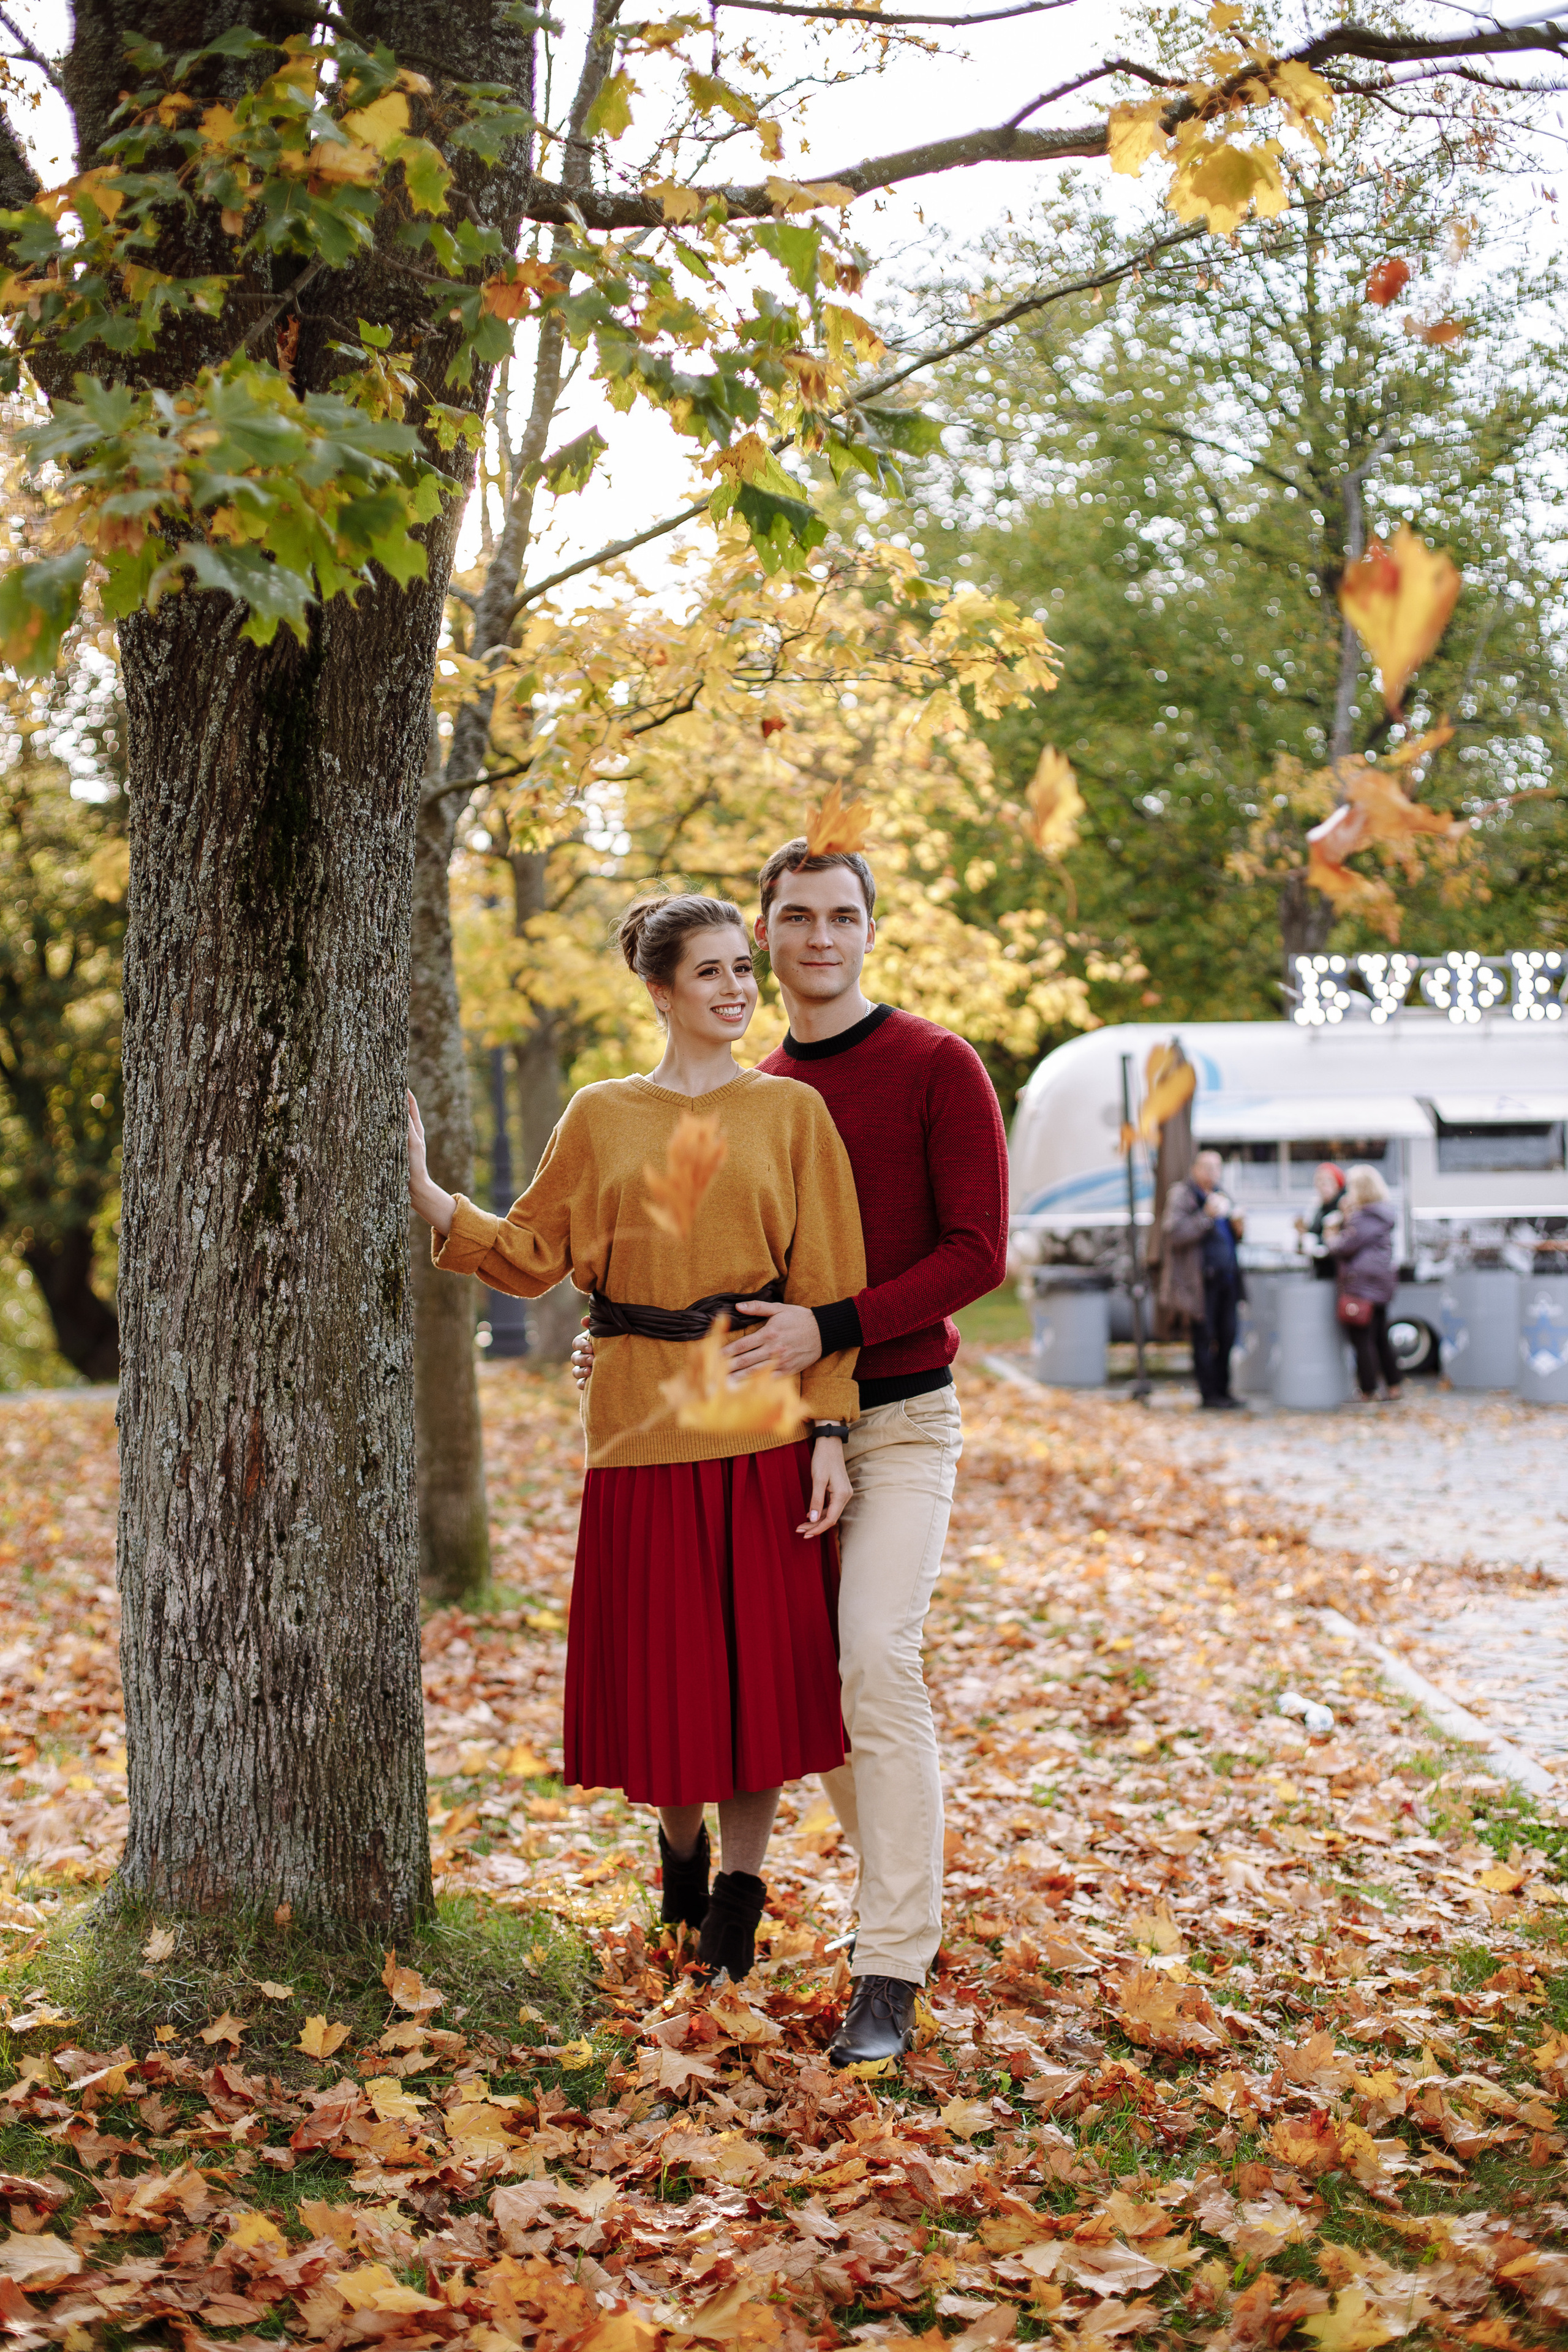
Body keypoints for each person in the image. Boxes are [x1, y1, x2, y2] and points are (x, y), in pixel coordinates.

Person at [576, 842, 1009, 2066]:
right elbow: (679, 1266)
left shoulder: (936, 1065)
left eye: (843, 915)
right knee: (802, 1690)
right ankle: (866, 1912)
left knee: (873, 1655)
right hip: (756, 1433)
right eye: (797, 917)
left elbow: (978, 1253)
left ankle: (888, 1966)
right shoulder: (739, 1084)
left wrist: (831, 1325)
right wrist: (610, 1352)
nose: (820, 937)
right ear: (762, 936)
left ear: (869, 930)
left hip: (900, 1414)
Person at [409, 892, 867, 1985]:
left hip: (755, 1420)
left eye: (740, 971)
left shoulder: (791, 1115)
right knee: (674, 1685)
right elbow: (531, 1253)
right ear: (659, 991)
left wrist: (831, 1433)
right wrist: (433, 1196)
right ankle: (682, 1853)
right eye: (708, 973)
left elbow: (828, 1281)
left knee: (756, 1686)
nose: (736, 989)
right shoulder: (599, 1114)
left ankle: (740, 1897)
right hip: (636, 1430)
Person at [1159, 1148, 1246, 1409]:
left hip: (1227, 1279)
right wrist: (1206, 1217)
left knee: (1229, 1335)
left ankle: (1224, 1389)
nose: (1212, 1174)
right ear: (1195, 1169)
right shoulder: (1183, 1195)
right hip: (1199, 1282)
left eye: (1217, 1168)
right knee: (1204, 1337)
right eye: (1207, 1168)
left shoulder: (1222, 1194)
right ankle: (1209, 1394)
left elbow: (1231, 1235)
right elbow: (1175, 1234)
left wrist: (1239, 1227)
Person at [1325, 1163, 1403, 1402]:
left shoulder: (1364, 1217)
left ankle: (1368, 1390)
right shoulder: (1382, 1214)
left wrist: (1331, 1234)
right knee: (1380, 1336)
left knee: (1362, 1338)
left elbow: (1344, 1247)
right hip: (1380, 1284)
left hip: (1361, 1285)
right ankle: (1394, 1385)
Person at [1296, 1161, 1346, 1280]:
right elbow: (1313, 1232)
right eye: (1319, 1182)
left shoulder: (1343, 1207)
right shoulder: (1318, 1207)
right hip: (1322, 1267)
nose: (1323, 1187)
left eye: (1327, 1181)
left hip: (1338, 1269)